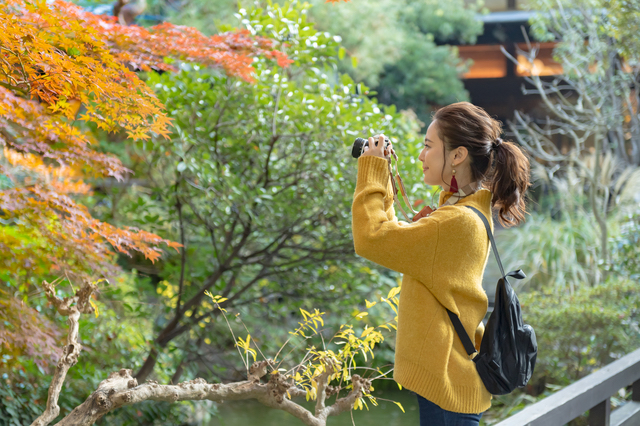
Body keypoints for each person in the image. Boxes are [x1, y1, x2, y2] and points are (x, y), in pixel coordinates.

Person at [351, 102, 530, 426]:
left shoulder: (453, 223)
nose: (421, 155)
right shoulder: (467, 214)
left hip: (447, 390)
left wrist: (372, 170)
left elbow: (371, 238)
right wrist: (384, 178)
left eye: (428, 146)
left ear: (457, 156)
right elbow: (394, 241)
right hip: (452, 384)